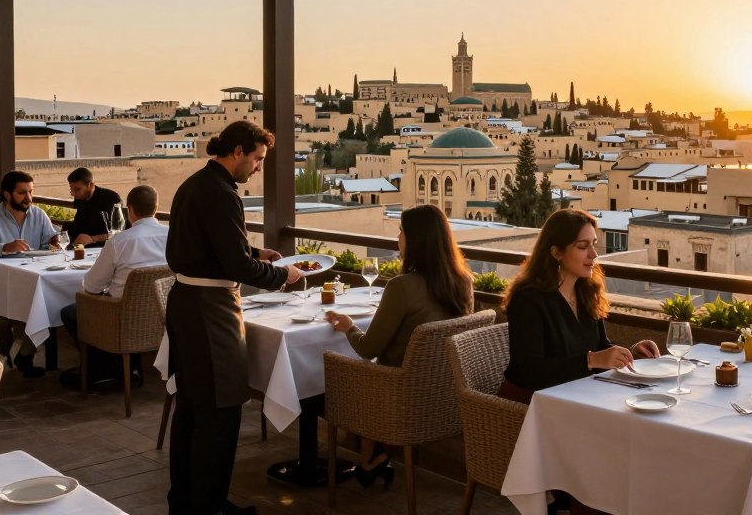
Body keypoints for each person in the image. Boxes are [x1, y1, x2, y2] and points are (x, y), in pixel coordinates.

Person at [165, 121, 301, 515]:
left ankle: (185, 502)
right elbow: (232, 264)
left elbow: (212, 244)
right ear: (238, 152)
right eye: (257, 159)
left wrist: (255, 253)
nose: (258, 167)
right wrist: (283, 275)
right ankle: (209, 507)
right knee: (220, 412)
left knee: (190, 409)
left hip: (186, 301)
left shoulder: (194, 185)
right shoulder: (223, 195)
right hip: (211, 311)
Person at [326, 204, 474, 488]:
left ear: (414, 240)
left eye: (401, 232)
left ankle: (369, 460)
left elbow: (368, 348)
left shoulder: (402, 287)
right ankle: (373, 460)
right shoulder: (463, 282)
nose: (398, 238)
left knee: (344, 373)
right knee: (381, 373)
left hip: (398, 398)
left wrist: (348, 326)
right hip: (444, 394)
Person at [501, 209, 659, 399]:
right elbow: (529, 372)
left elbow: (600, 346)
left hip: (576, 396)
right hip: (532, 406)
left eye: (593, 244)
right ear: (556, 252)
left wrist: (631, 353)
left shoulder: (585, 291)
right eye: (582, 246)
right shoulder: (527, 299)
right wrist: (590, 360)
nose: (593, 254)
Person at [59, 184, 169, 390]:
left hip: (120, 316)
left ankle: (101, 370)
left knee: (71, 312)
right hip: (162, 315)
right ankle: (127, 369)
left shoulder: (119, 242)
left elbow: (91, 287)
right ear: (156, 207)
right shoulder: (173, 236)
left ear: (130, 210)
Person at [0, 171, 60, 377]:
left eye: (31, 192)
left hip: (33, 277)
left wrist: (53, 242)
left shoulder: (38, 214)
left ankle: (25, 356)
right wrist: (4, 247)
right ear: (8, 194)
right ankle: (3, 355)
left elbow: (50, 240)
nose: (28, 198)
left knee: (48, 308)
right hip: (1, 281)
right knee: (2, 317)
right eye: (22, 193)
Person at [66, 167, 122, 248]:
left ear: (91, 185)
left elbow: (119, 232)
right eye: (71, 190)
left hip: (104, 247)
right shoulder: (80, 198)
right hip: (82, 248)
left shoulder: (111, 198)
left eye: (77, 189)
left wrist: (93, 239)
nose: (73, 194)